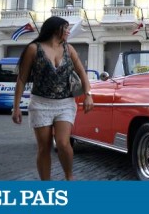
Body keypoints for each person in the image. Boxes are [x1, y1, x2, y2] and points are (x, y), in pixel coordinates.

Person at [12, 16, 94, 181]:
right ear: (56, 29)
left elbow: (82, 73)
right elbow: (21, 79)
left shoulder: (69, 49)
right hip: (40, 104)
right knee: (44, 147)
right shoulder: (33, 49)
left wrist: (88, 95)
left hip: (65, 104)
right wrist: (16, 107)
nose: (69, 31)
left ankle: (69, 177)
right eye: (66, 28)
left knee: (64, 143)